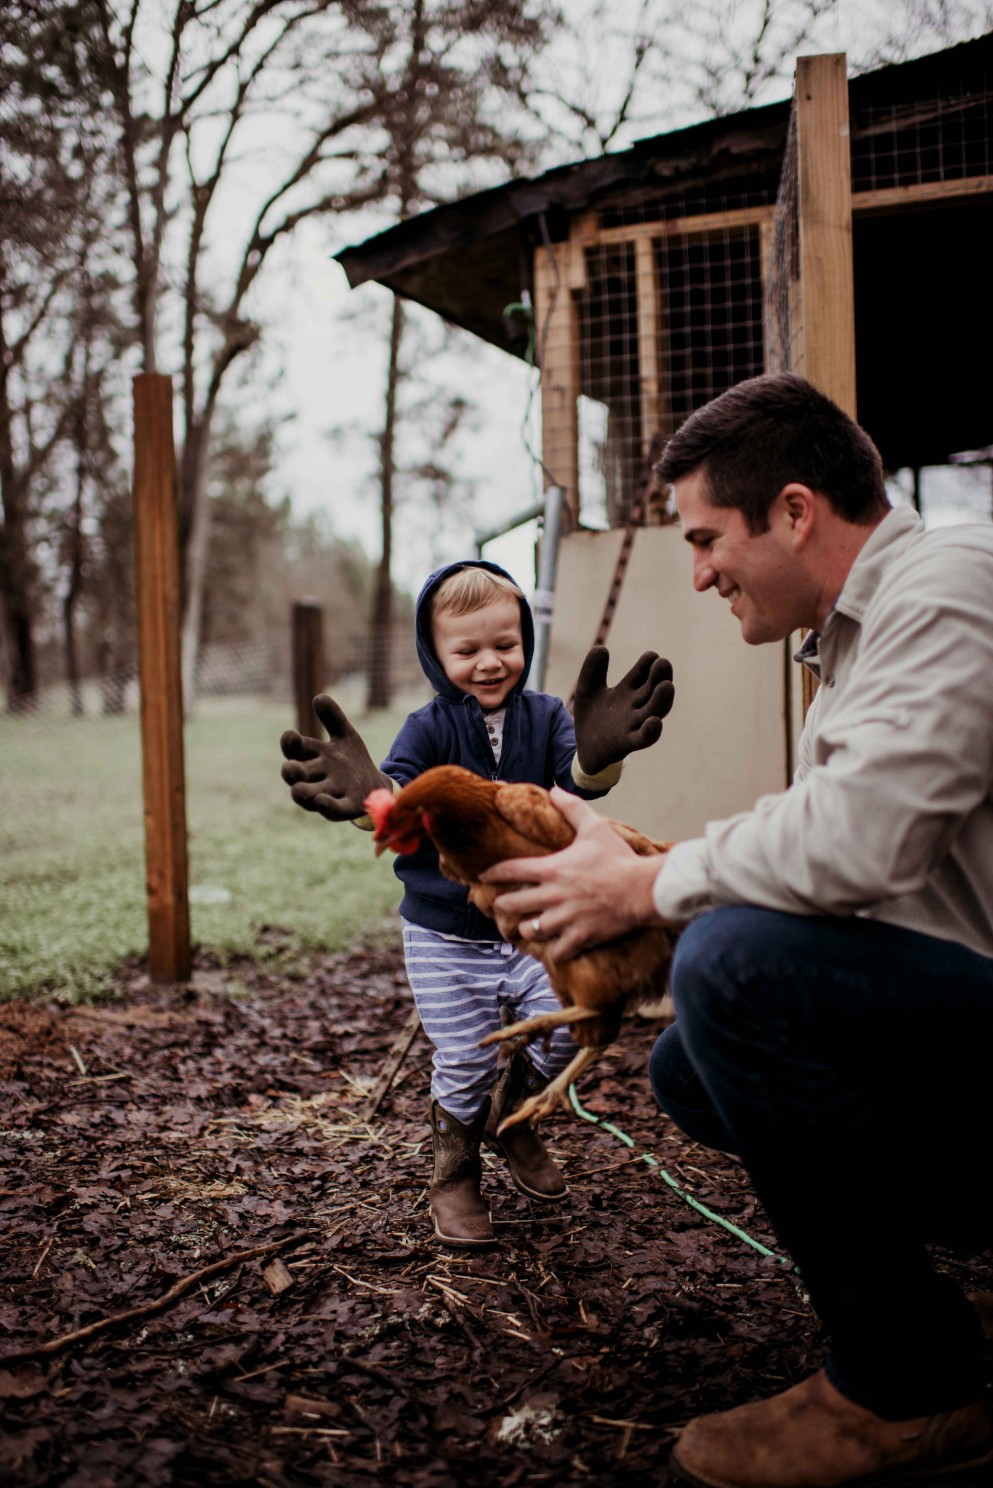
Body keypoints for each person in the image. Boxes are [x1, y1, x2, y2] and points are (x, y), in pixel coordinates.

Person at [480, 374, 993, 1486]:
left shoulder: (950, 587)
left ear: (797, 512)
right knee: (691, 1069)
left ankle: (908, 1384)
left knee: (732, 971)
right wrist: (634, 863)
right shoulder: (860, 633)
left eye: (708, 537)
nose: (700, 569)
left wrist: (646, 894)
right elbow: (825, 832)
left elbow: (862, 849)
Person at [279, 558, 674, 1249]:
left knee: (558, 1034)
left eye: (505, 643)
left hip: (536, 925)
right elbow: (395, 808)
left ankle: (512, 1119)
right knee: (461, 1057)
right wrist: (368, 796)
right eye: (466, 650)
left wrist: (598, 754)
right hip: (444, 934)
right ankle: (453, 1173)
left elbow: (580, 780)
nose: (490, 662)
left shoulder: (548, 715)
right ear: (434, 655)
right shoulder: (426, 729)